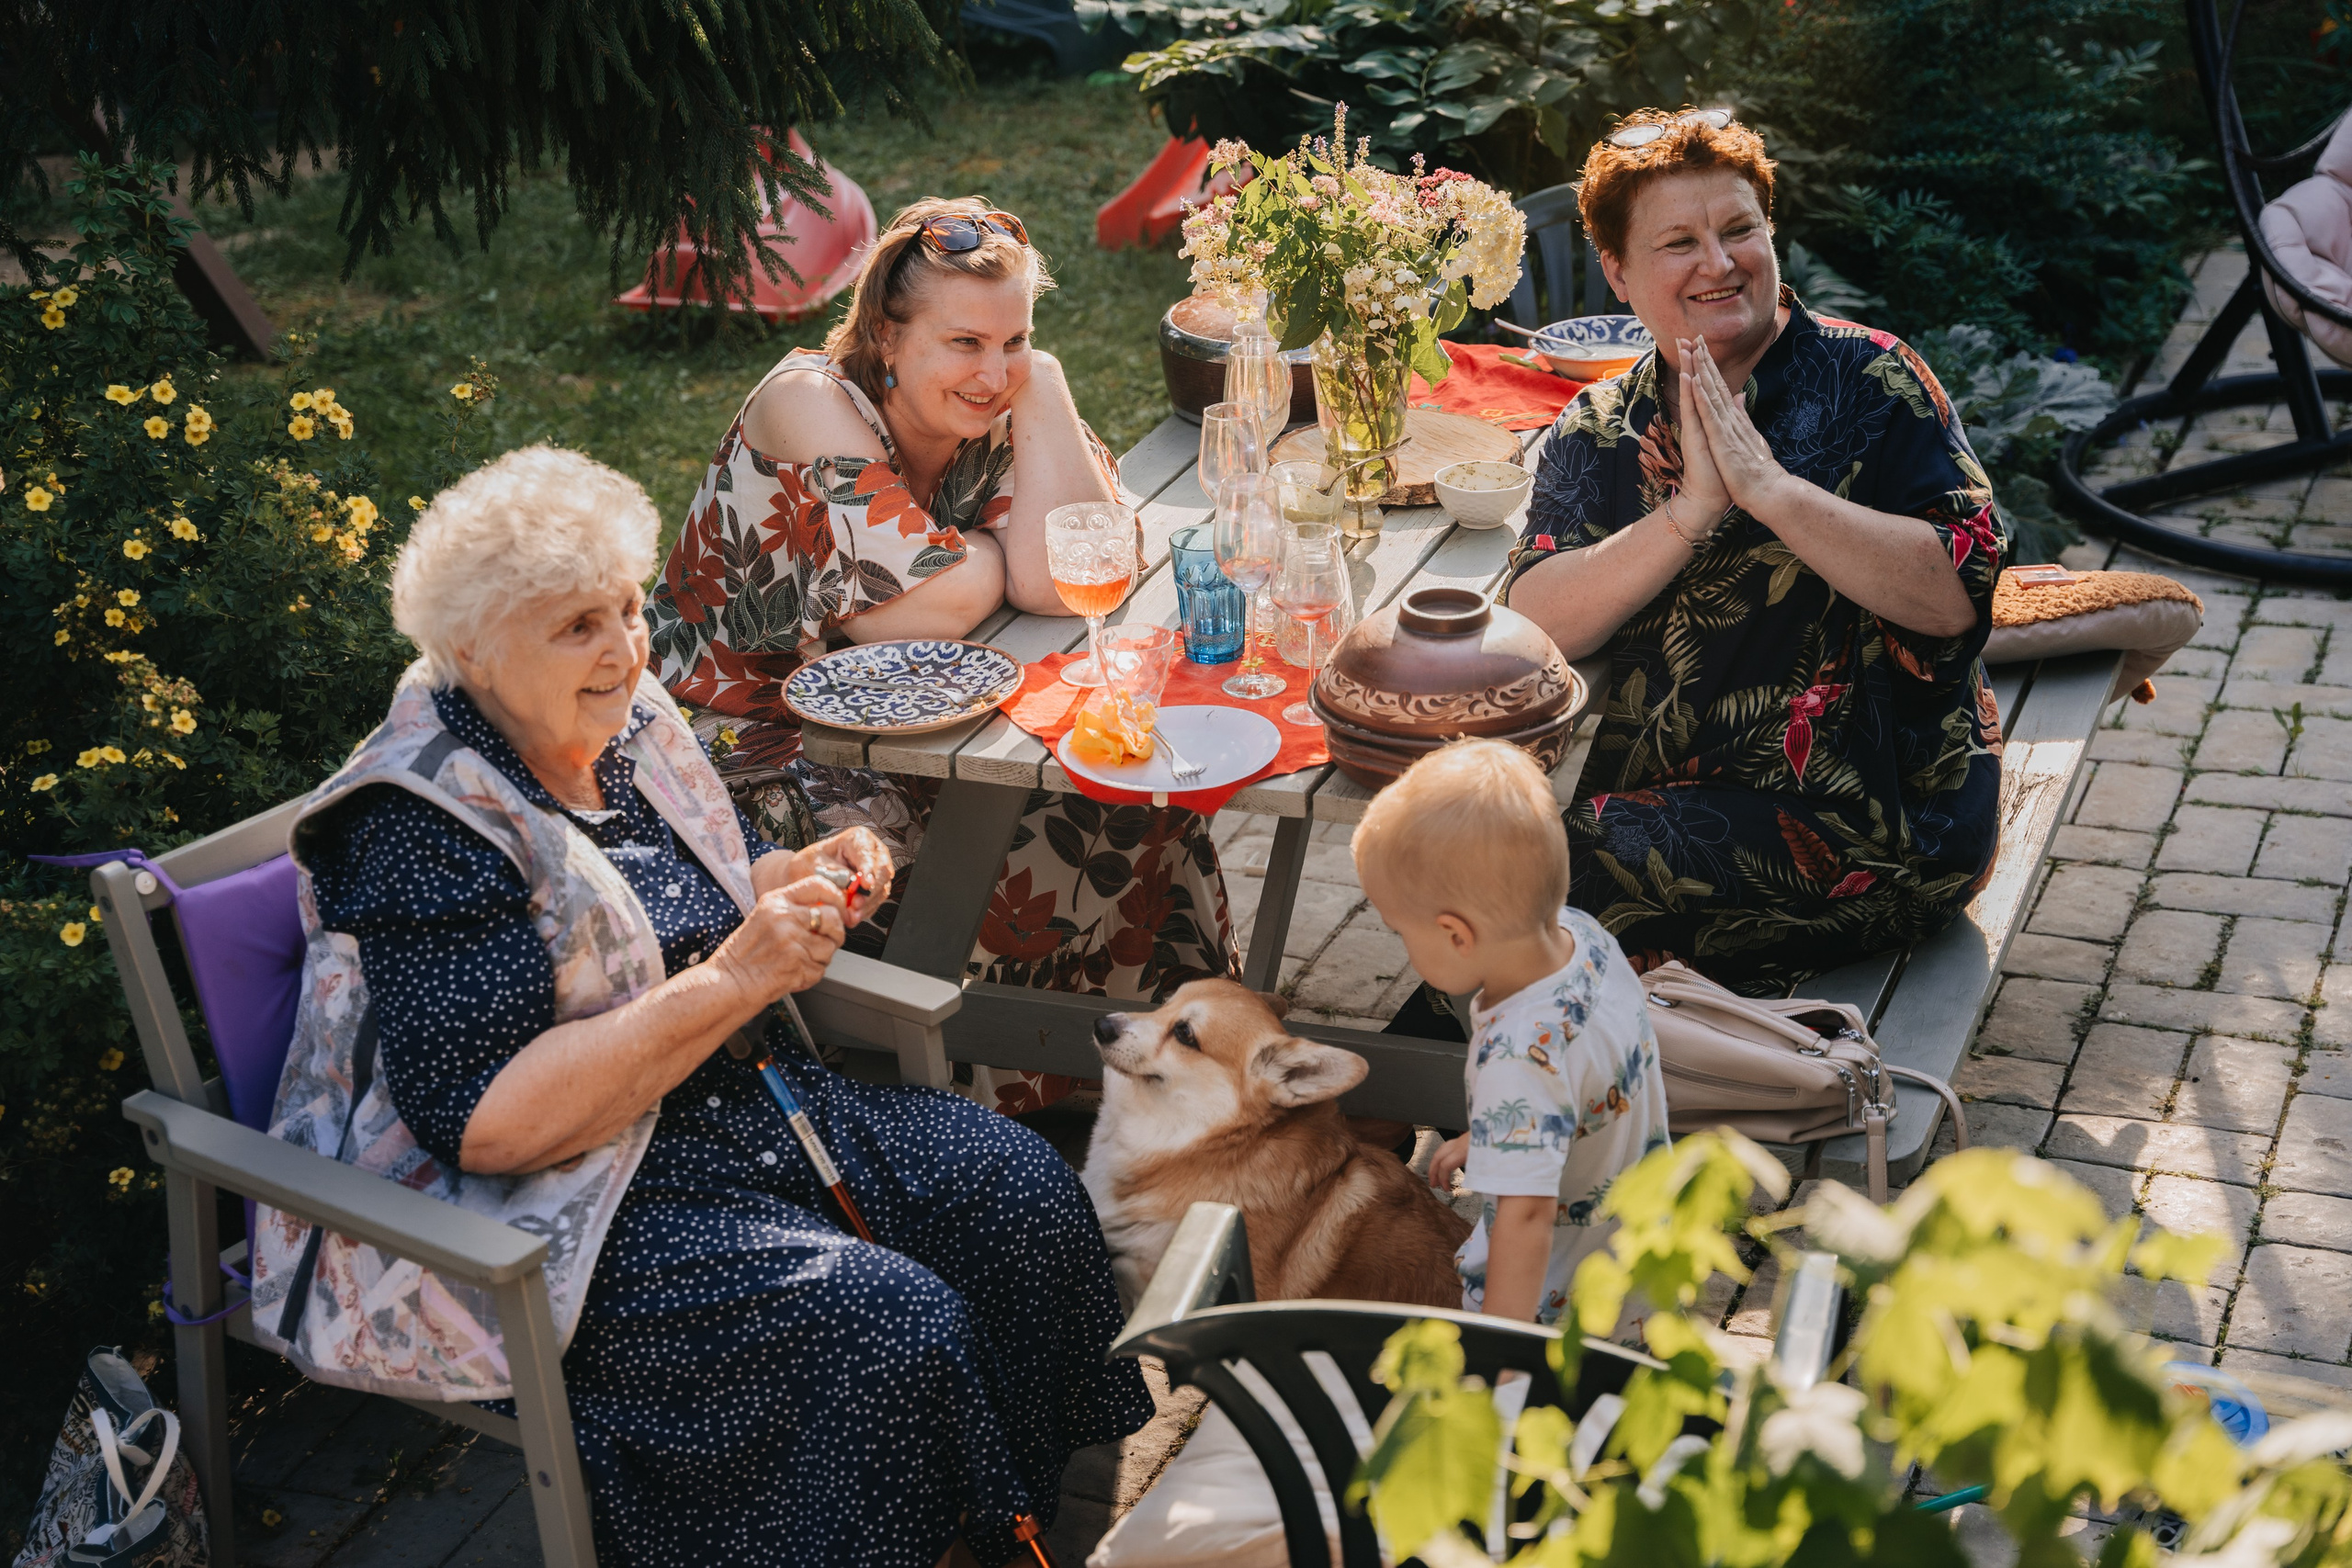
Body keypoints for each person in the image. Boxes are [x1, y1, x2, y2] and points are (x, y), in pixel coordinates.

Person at [250, 446, 1150, 1568]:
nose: (626, 647)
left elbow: (675, 907)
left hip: (732, 1105)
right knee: (881, 1327)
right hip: (560, 1208)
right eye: (577, 625)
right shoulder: (420, 826)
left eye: (628, 608)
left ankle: (986, 1513)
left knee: (1017, 1200)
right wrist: (735, 977)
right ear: (472, 649)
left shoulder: (615, 727)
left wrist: (792, 880)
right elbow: (487, 1123)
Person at [648, 198, 1235, 1112]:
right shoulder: (805, 401)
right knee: (1022, 828)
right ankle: (964, 1091)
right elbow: (914, 614)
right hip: (756, 759)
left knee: (1142, 799)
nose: (991, 372)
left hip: (912, 716)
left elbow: (1084, 566)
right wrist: (993, 565)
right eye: (964, 342)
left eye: (1016, 340)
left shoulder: (998, 399)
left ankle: (1140, 1068)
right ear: (887, 335)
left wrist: (1042, 382)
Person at [1496, 108, 2006, 998]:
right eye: (1679, 242)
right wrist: (1688, 513)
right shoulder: (1601, 426)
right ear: (1617, 272)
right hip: (1680, 811)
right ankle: (1433, 1101)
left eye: (1739, 230)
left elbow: (1957, 592)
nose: (1720, 262)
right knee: (1506, 865)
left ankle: (1388, 1106)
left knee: (1558, 873)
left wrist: (1770, 492)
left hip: (1881, 826)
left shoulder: (1875, 383)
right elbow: (1535, 619)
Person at [1352, 740, 1669, 1325]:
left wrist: (1502, 1357)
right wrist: (1502, 1136)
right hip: (1637, 1267)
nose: (1404, 944)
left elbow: (1525, 1223)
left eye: (1401, 931)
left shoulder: (1516, 1060)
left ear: (1456, 935)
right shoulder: (1585, 939)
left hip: (1559, 1310)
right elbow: (1595, 1076)